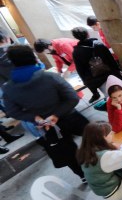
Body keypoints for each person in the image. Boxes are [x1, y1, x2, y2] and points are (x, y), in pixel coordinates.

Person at [2, 45, 89, 181]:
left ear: (13, 62)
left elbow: (12, 111)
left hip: (47, 125)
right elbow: (72, 97)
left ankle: (83, 175)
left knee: (66, 151)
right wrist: (56, 115)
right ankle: (110, 163)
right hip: (69, 116)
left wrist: (34, 117)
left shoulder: (9, 88)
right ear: (32, 57)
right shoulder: (49, 77)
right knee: (93, 138)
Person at [72, 26, 122, 103]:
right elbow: (111, 60)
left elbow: (80, 70)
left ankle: (119, 112)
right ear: (87, 34)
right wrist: (118, 72)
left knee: (111, 98)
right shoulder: (99, 45)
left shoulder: (76, 52)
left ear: (75, 37)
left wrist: (92, 88)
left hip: (97, 80)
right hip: (111, 75)